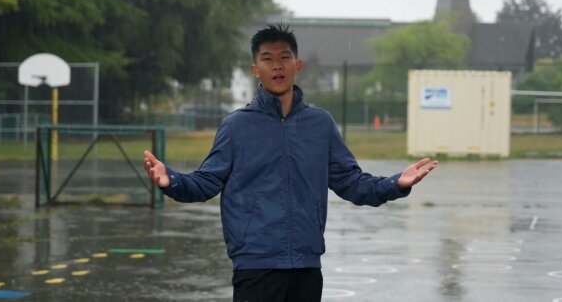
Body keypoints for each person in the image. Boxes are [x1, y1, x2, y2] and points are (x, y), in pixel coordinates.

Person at [143, 24, 437, 302]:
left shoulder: (321, 124)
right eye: (267, 59)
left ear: (298, 66)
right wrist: (171, 180)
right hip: (255, 265)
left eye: (285, 57)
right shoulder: (236, 126)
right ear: (255, 70)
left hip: (306, 266)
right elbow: (207, 181)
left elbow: (352, 182)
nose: (277, 65)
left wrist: (395, 183)